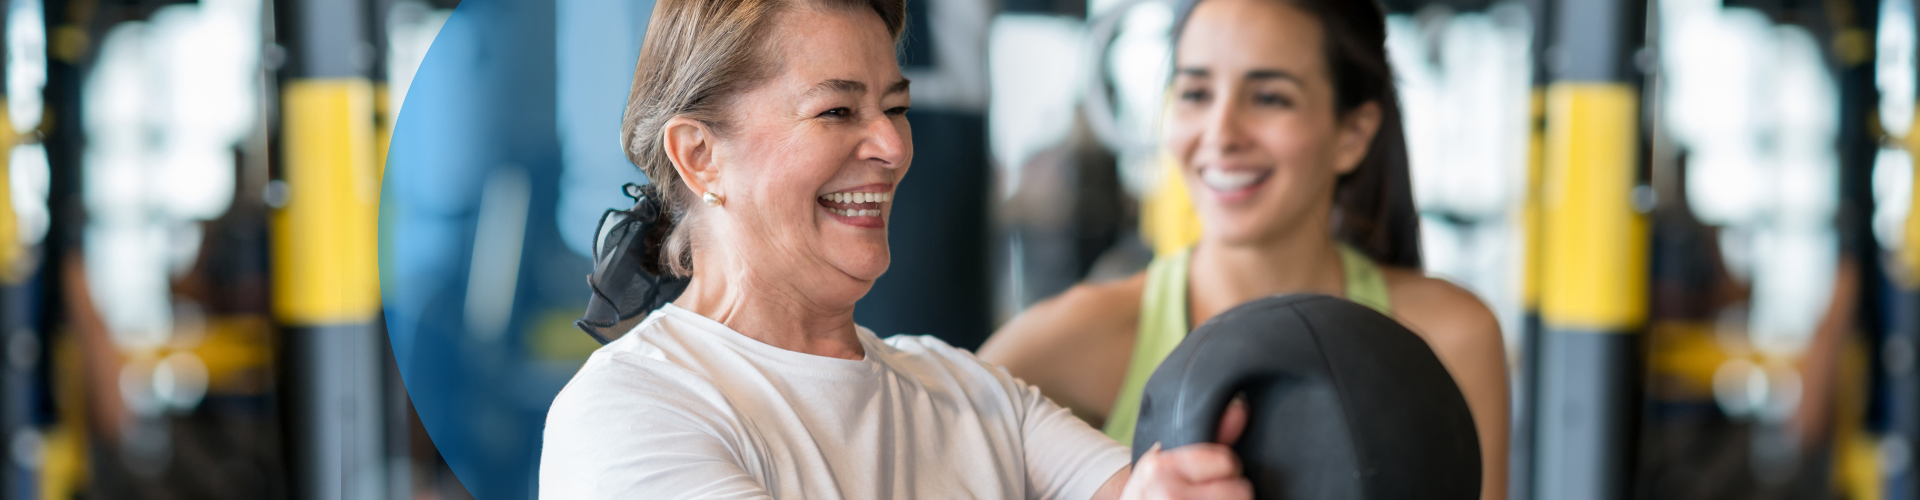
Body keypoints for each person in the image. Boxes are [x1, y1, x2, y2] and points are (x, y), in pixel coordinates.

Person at [537, 0, 1252, 497]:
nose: (891, 146)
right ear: (699, 156)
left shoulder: (971, 394)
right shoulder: (631, 408)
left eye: (897, 108)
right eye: (838, 111)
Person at [977, 0, 1510, 498]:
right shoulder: (1070, 345)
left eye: (1269, 97)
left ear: (1353, 132)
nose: (1222, 132)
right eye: (1195, 94)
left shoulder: (1453, 335)